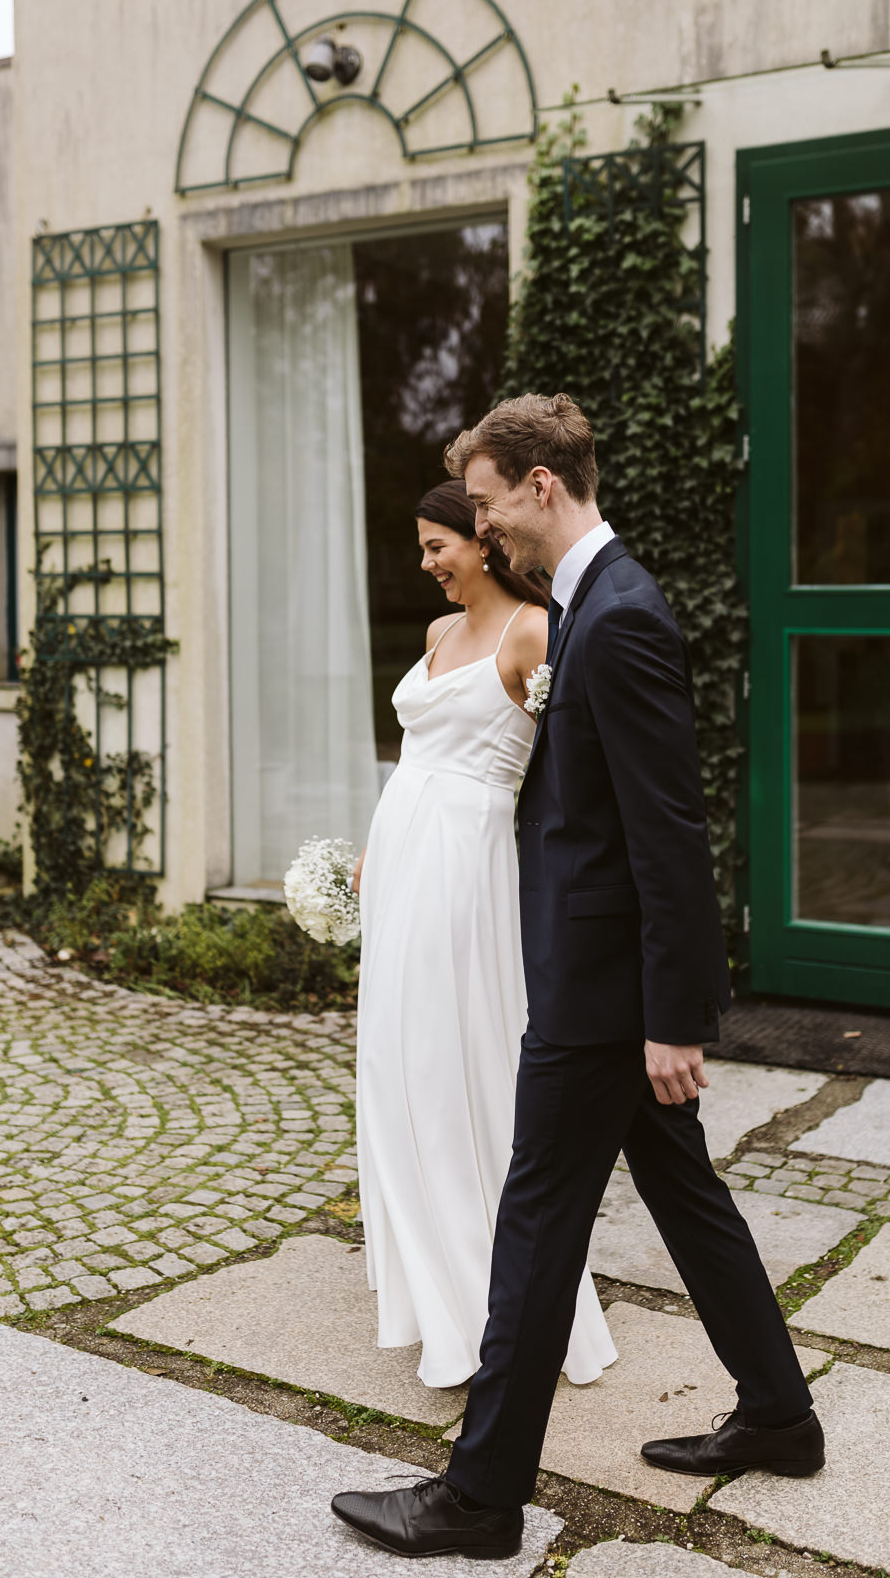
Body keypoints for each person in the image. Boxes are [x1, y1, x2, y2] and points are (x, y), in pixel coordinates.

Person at [333, 395, 824, 1560]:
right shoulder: (582, 604)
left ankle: (479, 1498)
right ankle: (780, 1414)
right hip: (589, 974)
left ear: (540, 486)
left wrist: (673, 1018)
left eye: (492, 499)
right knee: (683, 1195)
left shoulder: (621, 616)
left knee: (536, 1218)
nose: (485, 525)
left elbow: (668, 831)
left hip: (602, 997)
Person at [353, 479, 617, 1390]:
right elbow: (415, 757)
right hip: (402, 865)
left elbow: (570, 775)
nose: (426, 564)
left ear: (484, 539)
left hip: (467, 872)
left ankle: (488, 1305)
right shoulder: (434, 637)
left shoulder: (533, 635)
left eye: (439, 546)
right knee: (392, 1067)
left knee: (452, 1065)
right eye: (421, 549)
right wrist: (373, 845)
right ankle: (433, 1289)